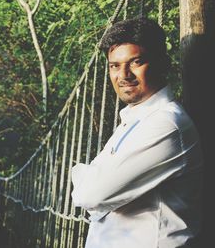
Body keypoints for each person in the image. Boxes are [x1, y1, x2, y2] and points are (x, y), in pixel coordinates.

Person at [71, 17, 203, 248]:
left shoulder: (167, 124)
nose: (123, 75)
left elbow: (88, 195)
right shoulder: (135, 119)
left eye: (136, 62)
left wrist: (84, 173)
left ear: (161, 63)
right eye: (114, 65)